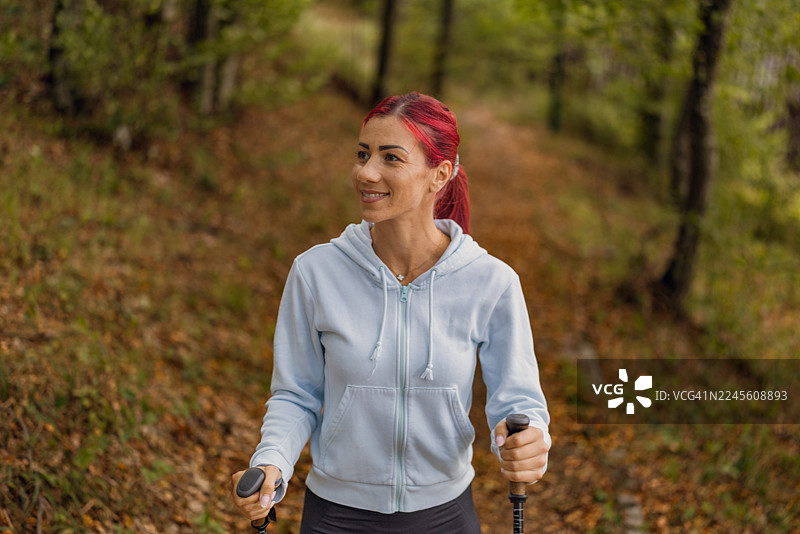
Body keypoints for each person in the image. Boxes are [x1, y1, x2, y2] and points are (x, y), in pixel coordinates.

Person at [230, 92, 550, 533]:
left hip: (445, 516)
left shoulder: (490, 282)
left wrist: (529, 439)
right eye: (362, 154)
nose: (366, 172)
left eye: (390, 158)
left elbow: (517, 402)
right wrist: (271, 463)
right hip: (336, 516)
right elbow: (297, 394)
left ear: (439, 174)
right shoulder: (316, 272)